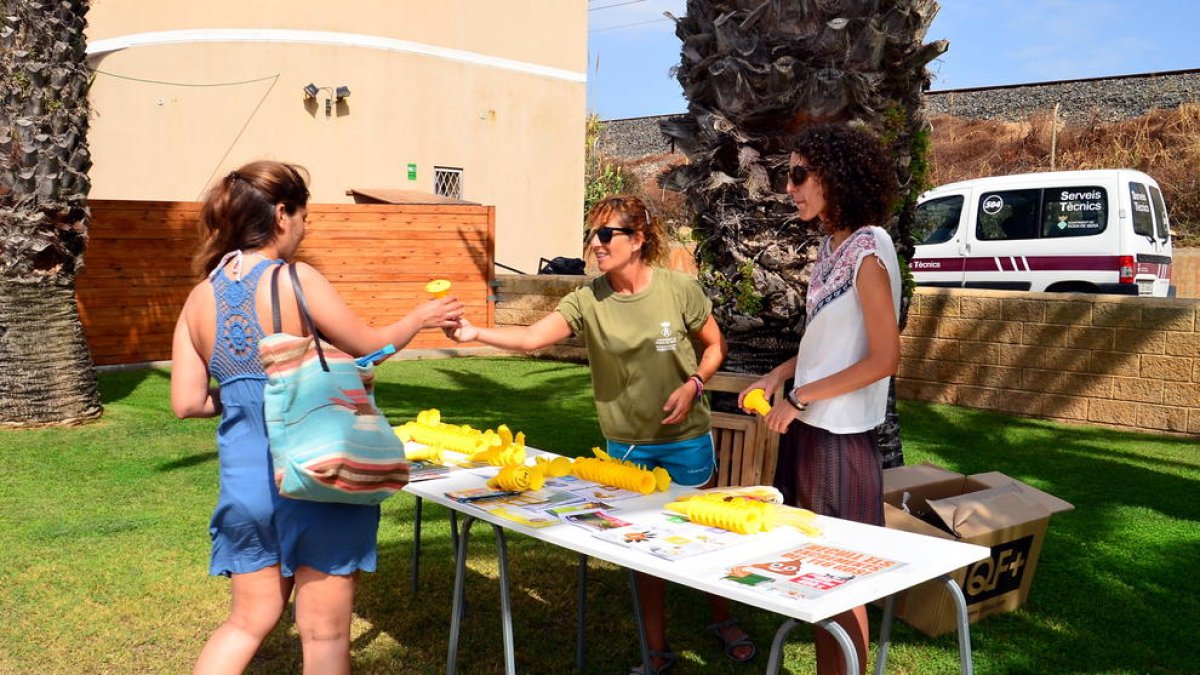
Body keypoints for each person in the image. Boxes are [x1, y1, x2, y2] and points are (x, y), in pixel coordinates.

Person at [170, 160, 464, 675]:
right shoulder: (295, 278)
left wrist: (245, 397)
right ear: (282, 214)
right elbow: (370, 348)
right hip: (316, 474)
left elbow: (188, 402)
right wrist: (421, 316)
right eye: (304, 216)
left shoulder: (198, 298)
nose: (305, 228)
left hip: (245, 488)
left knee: (245, 623)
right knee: (324, 637)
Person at [446, 195, 750, 674]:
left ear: (639, 239)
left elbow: (714, 346)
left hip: (686, 439)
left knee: (704, 534)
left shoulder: (678, 289)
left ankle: (723, 618)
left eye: (606, 234)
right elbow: (529, 338)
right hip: (625, 448)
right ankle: (656, 651)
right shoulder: (587, 299)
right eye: (593, 235)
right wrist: (474, 335)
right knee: (641, 548)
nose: (595, 244)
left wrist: (694, 385)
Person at [737, 124, 901, 675]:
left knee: (840, 577)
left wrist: (800, 397)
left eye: (800, 174)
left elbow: (884, 359)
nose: (790, 187)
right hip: (810, 431)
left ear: (837, 176)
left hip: (839, 440)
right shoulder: (832, 248)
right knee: (811, 568)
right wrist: (780, 376)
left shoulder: (869, 247)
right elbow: (827, 344)